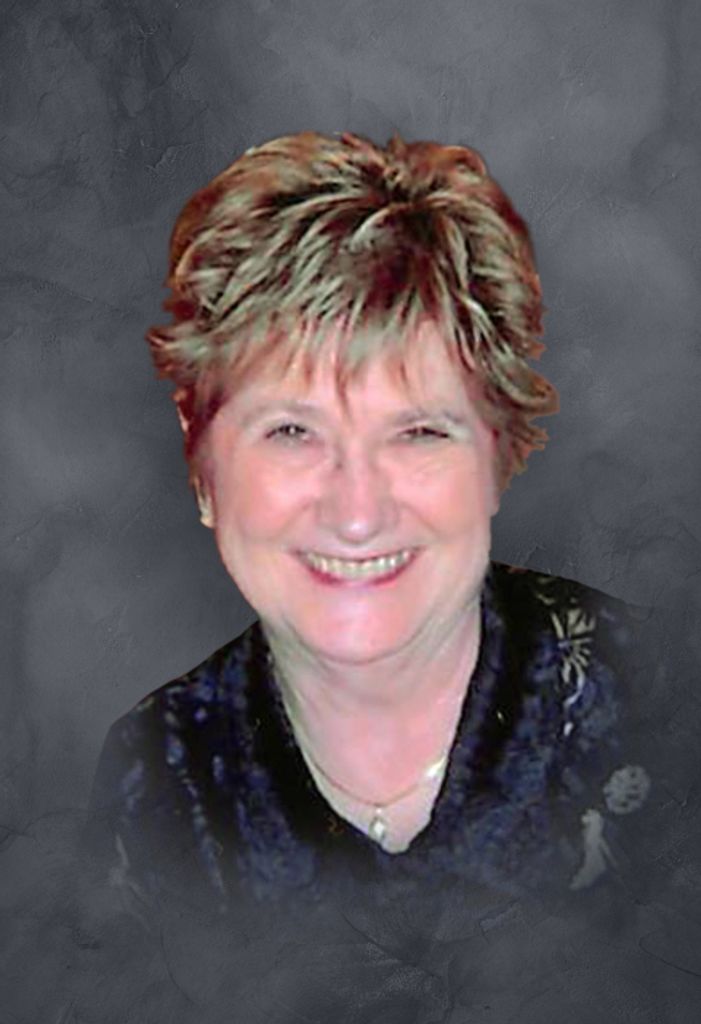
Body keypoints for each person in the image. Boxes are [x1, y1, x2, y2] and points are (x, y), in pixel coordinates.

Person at [87, 131, 658, 926]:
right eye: (291, 431)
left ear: (497, 452)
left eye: (418, 432)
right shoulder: (157, 775)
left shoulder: (664, 702)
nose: (356, 512)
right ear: (200, 459)